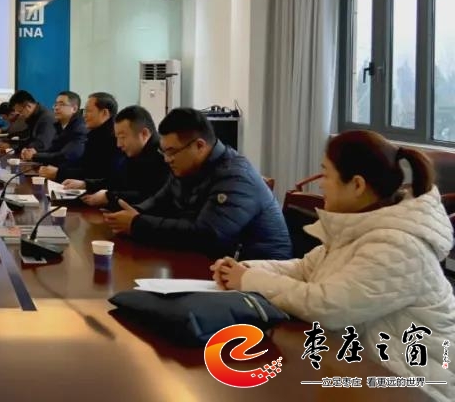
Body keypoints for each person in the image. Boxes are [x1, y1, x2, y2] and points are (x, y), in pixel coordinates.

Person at [212, 131, 455, 397]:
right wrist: (244, 270)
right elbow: (304, 269)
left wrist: (248, 280)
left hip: (414, 385)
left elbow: (327, 305)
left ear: (357, 185)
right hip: (362, 369)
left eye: (326, 175)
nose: (320, 185)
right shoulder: (364, 227)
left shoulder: (397, 246)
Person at [103, 107, 291, 260]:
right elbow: (159, 201)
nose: (167, 159)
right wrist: (130, 214)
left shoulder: (235, 177)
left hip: (257, 273)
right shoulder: (186, 167)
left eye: (172, 152)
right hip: (214, 263)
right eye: (164, 152)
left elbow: (208, 235)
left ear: (199, 146)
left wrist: (137, 224)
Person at [64, 105, 170, 208]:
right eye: (117, 138)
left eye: (123, 137)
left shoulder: (165, 157)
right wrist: (86, 184)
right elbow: (118, 180)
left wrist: (110, 197)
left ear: (144, 134)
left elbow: (151, 197)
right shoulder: (135, 151)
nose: (119, 144)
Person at [44, 92, 121, 182]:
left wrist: (59, 173)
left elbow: (94, 173)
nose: (84, 115)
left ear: (104, 113)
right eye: (84, 111)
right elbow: (83, 164)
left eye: (88, 111)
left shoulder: (111, 138)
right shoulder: (95, 134)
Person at [21, 91, 86, 167]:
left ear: (74, 109)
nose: (56, 108)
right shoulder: (60, 126)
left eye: (61, 104)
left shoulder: (79, 129)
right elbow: (52, 150)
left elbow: (63, 157)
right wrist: (34, 152)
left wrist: (34, 156)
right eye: (56, 104)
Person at [5, 89, 57, 154]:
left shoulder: (46, 119)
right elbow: (30, 140)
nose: (20, 115)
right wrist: (13, 147)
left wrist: (22, 149)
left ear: (28, 106)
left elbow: (42, 144)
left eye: (20, 112)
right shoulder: (34, 117)